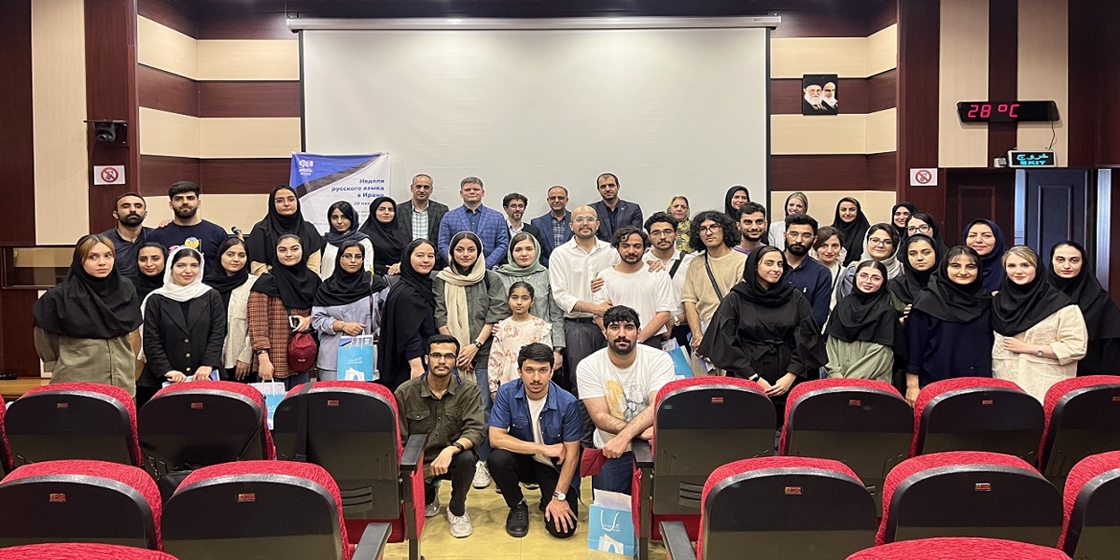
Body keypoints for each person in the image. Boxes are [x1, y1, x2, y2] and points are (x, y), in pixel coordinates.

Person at [699, 246, 827, 425]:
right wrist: (753, 378)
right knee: (748, 428)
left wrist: (791, 375)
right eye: (769, 263)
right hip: (747, 375)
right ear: (754, 266)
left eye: (780, 264)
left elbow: (808, 338)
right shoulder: (736, 298)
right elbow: (724, 340)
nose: (776, 269)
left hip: (788, 376)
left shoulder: (794, 297)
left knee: (788, 428)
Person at [434, 231, 508, 488]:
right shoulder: (441, 279)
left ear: (479, 252)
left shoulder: (491, 278)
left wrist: (474, 347)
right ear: (451, 252)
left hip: (483, 353)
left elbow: (495, 313)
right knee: (451, 410)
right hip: (452, 357)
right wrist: (455, 352)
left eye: (471, 250)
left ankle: (482, 462)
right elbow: (440, 315)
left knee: (483, 409)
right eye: (460, 249)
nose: (465, 254)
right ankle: (454, 461)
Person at [394, 334, 485, 539]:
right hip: (419, 461)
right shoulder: (405, 392)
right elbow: (399, 439)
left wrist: (451, 450)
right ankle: (429, 495)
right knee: (412, 518)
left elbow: (476, 430)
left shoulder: (468, 390)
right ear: (427, 358)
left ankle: (457, 509)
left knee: (467, 458)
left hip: (453, 458)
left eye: (448, 356)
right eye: (436, 355)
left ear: (455, 360)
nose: (442, 361)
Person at [488, 343, 582, 539]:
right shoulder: (506, 393)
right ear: (520, 371)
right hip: (524, 460)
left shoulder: (568, 402)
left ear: (552, 371)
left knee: (562, 530)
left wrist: (559, 497)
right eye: (530, 370)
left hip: (553, 467)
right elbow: (495, 438)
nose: (536, 378)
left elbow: (572, 454)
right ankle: (518, 506)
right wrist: (543, 448)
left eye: (543, 370)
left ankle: (548, 497)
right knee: (497, 459)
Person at [578, 306, 674, 494]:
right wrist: (635, 434)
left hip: (653, 448)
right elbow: (600, 416)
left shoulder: (659, 359)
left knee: (656, 507)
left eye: (628, 327)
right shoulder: (588, 366)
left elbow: (656, 406)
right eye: (614, 327)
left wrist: (625, 436)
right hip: (611, 449)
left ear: (638, 332)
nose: (621, 334)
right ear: (605, 332)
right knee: (609, 509)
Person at [33, 234, 142, 396]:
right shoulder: (59, 296)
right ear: (80, 260)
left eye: (108, 255)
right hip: (76, 381)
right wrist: (56, 365)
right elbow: (45, 337)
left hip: (122, 381)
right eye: (93, 257)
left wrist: (130, 364)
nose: (102, 262)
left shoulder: (126, 289)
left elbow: (133, 333)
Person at [992, 246, 1087, 401]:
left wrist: (1029, 348)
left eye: (1025, 265)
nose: (1018, 271)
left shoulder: (1062, 305)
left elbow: (1076, 348)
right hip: (1005, 382)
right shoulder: (996, 302)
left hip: (1045, 385)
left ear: (1037, 268)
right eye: (1011, 266)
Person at [904, 246, 994, 406]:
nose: (963, 272)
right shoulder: (927, 300)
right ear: (945, 268)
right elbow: (914, 348)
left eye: (970, 266)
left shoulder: (986, 301)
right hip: (935, 384)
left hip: (979, 385)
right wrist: (912, 386)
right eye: (955, 266)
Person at [138, 247, 226, 406]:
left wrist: (207, 365)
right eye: (181, 265)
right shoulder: (156, 299)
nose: (188, 271)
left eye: (194, 265)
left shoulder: (211, 295)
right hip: (164, 378)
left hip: (204, 375)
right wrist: (167, 370)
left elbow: (217, 333)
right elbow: (151, 339)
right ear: (170, 267)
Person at [548, 205, 620, 391]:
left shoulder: (612, 251)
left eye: (589, 219)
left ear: (597, 224)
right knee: (580, 382)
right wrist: (595, 308)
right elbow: (560, 295)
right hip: (577, 327)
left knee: (613, 380)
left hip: (610, 325)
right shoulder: (560, 254)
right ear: (571, 225)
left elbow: (623, 280)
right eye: (579, 219)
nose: (585, 223)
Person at [248, 234, 321, 390]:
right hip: (273, 358)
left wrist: (309, 319)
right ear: (275, 252)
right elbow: (257, 323)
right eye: (282, 250)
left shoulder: (313, 280)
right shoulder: (265, 282)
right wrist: (263, 358)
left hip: (302, 356)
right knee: (272, 404)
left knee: (300, 402)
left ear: (303, 250)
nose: (289, 254)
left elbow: (322, 311)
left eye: (294, 249)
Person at [681, 211, 747, 368]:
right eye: (703, 229)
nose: (708, 232)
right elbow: (689, 301)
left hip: (732, 338)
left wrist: (716, 338)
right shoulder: (695, 263)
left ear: (725, 229)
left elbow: (740, 304)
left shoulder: (742, 261)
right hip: (702, 339)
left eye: (714, 226)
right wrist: (698, 335)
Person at [593, 227, 675, 346]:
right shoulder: (604, 276)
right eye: (625, 246)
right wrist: (618, 336)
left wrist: (638, 338)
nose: (631, 251)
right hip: (616, 342)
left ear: (645, 249)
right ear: (617, 247)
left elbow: (664, 313)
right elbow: (599, 314)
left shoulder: (659, 275)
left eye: (637, 246)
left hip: (650, 340)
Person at [1048, 241, 1120, 376]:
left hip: (1088, 374)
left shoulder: (1100, 300)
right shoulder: (1039, 296)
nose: (1067, 266)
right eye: (1060, 260)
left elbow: (1112, 347)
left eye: (1074, 260)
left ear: (1083, 263)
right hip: (1045, 370)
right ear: (1052, 261)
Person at [494, 232, 565, 367]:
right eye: (518, 250)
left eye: (529, 249)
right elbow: (496, 309)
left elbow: (556, 314)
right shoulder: (500, 276)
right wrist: (496, 324)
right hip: (509, 343)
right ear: (511, 253)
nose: (524, 254)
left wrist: (557, 349)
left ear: (536, 250)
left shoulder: (547, 275)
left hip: (541, 341)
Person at [825, 260, 901, 382]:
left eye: (876, 278)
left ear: (883, 282)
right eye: (863, 275)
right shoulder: (843, 305)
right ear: (855, 277)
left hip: (870, 382)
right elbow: (831, 343)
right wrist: (835, 375)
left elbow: (883, 353)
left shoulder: (887, 312)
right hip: (836, 380)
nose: (868, 281)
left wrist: (850, 381)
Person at [312, 240, 377, 381]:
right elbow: (317, 319)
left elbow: (387, 316)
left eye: (358, 256)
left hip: (366, 354)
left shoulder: (375, 285)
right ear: (339, 258)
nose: (353, 261)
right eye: (347, 256)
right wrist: (342, 325)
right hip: (333, 358)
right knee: (333, 393)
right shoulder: (326, 288)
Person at [378, 239, 438, 391]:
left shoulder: (427, 285)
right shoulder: (406, 292)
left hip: (429, 360)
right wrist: (416, 366)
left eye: (430, 256)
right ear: (407, 258)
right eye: (420, 255)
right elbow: (409, 334)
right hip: (410, 368)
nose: (426, 260)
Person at [203, 237, 258, 383]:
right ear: (220, 256)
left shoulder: (254, 284)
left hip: (240, 358)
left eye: (241, 255)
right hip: (209, 359)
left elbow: (257, 324)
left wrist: (246, 356)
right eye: (230, 254)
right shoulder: (205, 286)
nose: (236, 259)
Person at [488, 282, 554, 393]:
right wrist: (493, 387)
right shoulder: (502, 327)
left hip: (534, 379)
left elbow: (547, 357)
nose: (519, 302)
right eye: (515, 297)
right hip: (507, 379)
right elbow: (495, 357)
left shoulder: (540, 326)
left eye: (525, 298)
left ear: (532, 301)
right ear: (508, 299)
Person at [644, 212, 695, 352]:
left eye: (667, 231)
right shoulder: (641, 263)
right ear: (648, 236)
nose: (662, 237)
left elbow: (699, 301)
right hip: (649, 331)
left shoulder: (690, 262)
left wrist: (675, 320)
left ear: (676, 234)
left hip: (684, 329)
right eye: (656, 233)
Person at [147, 181, 230, 268]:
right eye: (178, 199)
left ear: (199, 203)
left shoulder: (217, 233)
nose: (185, 202)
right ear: (171, 205)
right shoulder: (157, 236)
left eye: (190, 198)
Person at [247, 185, 324, 276]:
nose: (286, 204)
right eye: (280, 201)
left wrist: (303, 282)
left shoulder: (309, 229)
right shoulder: (261, 230)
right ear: (272, 204)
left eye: (291, 199)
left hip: (305, 283)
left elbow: (313, 267)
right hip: (270, 283)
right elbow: (258, 269)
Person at [437, 176, 510, 270]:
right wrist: (458, 263)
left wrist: (484, 265)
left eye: (476, 189)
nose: (472, 192)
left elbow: (502, 245)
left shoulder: (497, 217)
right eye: (467, 190)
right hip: (457, 270)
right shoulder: (449, 217)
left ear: (483, 193)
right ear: (461, 193)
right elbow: (443, 244)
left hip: (488, 270)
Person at [782, 213, 833, 329]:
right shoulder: (772, 266)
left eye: (806, 235)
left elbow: (818, 317)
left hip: (804, 337)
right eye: (794, 234)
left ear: (814, 240)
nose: (799, 240)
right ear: (785, 235)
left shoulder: (821, 273)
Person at [834, 224, 902, 302]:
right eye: (875, 240)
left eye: (888, 242)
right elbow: (849, 302)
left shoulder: (901, 270)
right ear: (866, 242)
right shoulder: (854, 269)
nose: (880, 245)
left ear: (894, 247)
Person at [100, 192, 151, 279]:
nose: (133, 210)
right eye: (126, 206)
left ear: (145, 213)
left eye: (138, 206)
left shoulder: (156, 236)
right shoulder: (103, 241)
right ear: (115, 214)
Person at [889, 234, 941, 318]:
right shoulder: (895, 286)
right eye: (913, 254)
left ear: (936, 253)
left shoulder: (948, 285)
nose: (919, 258)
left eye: (926, 253)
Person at [320, 201, 374, 280]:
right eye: (335, 217)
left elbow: (367, 268)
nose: (339, 221)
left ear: (352, 218)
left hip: (356, 286)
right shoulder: (324, 241)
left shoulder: (363, 241)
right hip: (327, 286)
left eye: (344, 217)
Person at [360, 196, 411, 276]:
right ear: (374, 211)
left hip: (403, 275)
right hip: (377, 278)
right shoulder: (364, 235)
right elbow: (363, 261)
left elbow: (409, 253)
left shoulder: (402, 232)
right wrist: (387, 269)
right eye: (381, 209)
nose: (387, 212)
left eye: (390, 210)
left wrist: (401, 265)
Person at [397, 173, 449, 243]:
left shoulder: (442, 210)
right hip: (405, 250)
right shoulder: (398, 210)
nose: (422, 190)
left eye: (426, 187)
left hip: (432, 250)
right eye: (418, 187)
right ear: (412, 188)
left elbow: (444, 237)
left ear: (431, 190)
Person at [591, 173, 643, 242]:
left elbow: (635, 235)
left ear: (618, 187)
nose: (607, 189)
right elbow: (591, 235)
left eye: (611, 185)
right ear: (598, 189)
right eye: (603, 187)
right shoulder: (591, 210)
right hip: (600, 248)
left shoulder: (633, 209)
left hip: (626, 247)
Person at [529, 185, 573, 267]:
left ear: (566, 200)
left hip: (572, 267)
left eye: (560, 198)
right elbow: (537, 250)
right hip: (546, 268)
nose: (556, 201)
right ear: (548, 200)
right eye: (553, 198)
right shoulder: (537, 223)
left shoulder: (576, 221)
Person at [964, 219, 1008, 293]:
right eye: (972, 235)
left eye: (987, 236)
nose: (978, 240)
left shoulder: (1010, 264)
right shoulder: (955, 263)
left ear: (997, 239)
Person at [810, 226, 845, 308]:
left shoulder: (844, 272)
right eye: (823, 246)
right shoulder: (808, 270)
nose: (829, 251)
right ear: (815, 247)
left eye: (835, 246)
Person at [830, 197, 869, 266]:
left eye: (852, 210)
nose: (847, 213)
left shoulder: (868, 232)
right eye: (843, 210)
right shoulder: (830, 232)